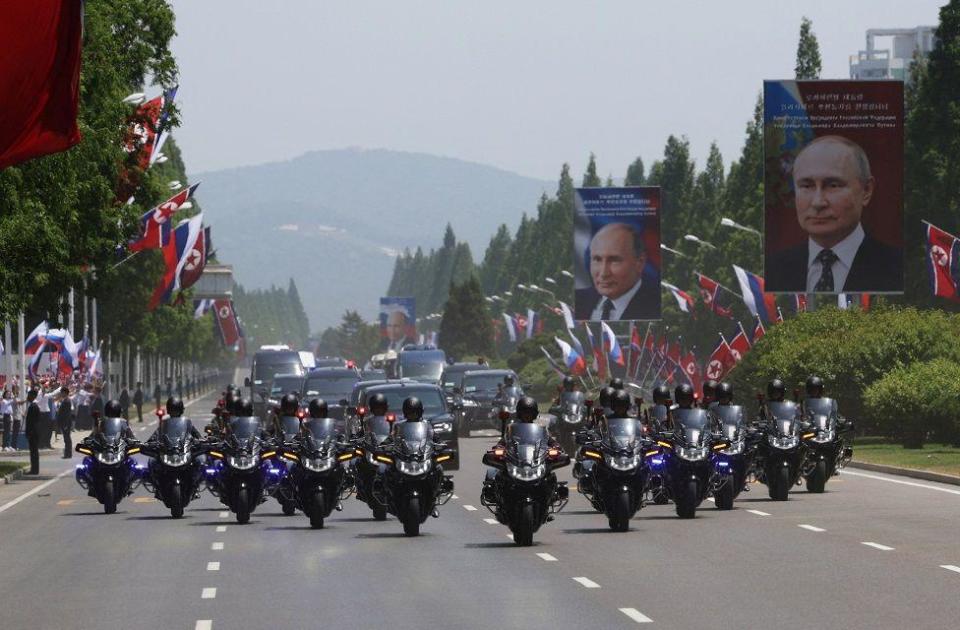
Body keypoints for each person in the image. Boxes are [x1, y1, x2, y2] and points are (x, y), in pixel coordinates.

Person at [765, 135, 902, 293]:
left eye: (833, 185)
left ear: (866, 190)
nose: (818, 202)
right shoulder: (774, 270)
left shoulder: (896, 268)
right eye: (807, 186)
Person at [574, 222, 659, 320]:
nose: (603, 273)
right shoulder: (577, 301)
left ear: (639, 262)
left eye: (614, 260)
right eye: (597, 259)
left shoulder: (655, 306)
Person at [24, 389, 41, 474]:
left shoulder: (33, 406)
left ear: (33, 396)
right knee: (33, 452)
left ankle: (34, 470)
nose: (28, 397)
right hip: (34, 432)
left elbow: (32, 422)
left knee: (34, 452)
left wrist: (30, 433)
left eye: (29, 395)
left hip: (33, 433)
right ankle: (34, 469)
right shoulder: (32, 406)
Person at [56, 387, 74, 458]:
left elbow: (66, 414)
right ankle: (67, 453)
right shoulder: (65, 400)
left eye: (62, 392)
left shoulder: (67, 401)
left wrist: (65, 424)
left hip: (66, 423)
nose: (61, 394)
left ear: (65, 392)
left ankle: (68, 454)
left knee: (67, 439)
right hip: (64, 423)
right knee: (66, 438)